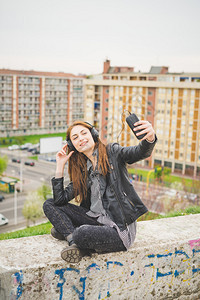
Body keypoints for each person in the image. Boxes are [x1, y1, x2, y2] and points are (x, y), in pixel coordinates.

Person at [43, 119, 157, 263]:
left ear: (93, 134)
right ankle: (74, 242)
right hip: (95, 221)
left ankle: (71, 234)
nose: (81, 139)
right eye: (75, 138)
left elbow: (139, 152)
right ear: (73, 146)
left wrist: (150, 138)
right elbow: (60, 200)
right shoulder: (84, 170)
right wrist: (60, 166)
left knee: (81, 232)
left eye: (84, 133)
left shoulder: (113, 152)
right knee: (49, 204)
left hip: (119, 229)